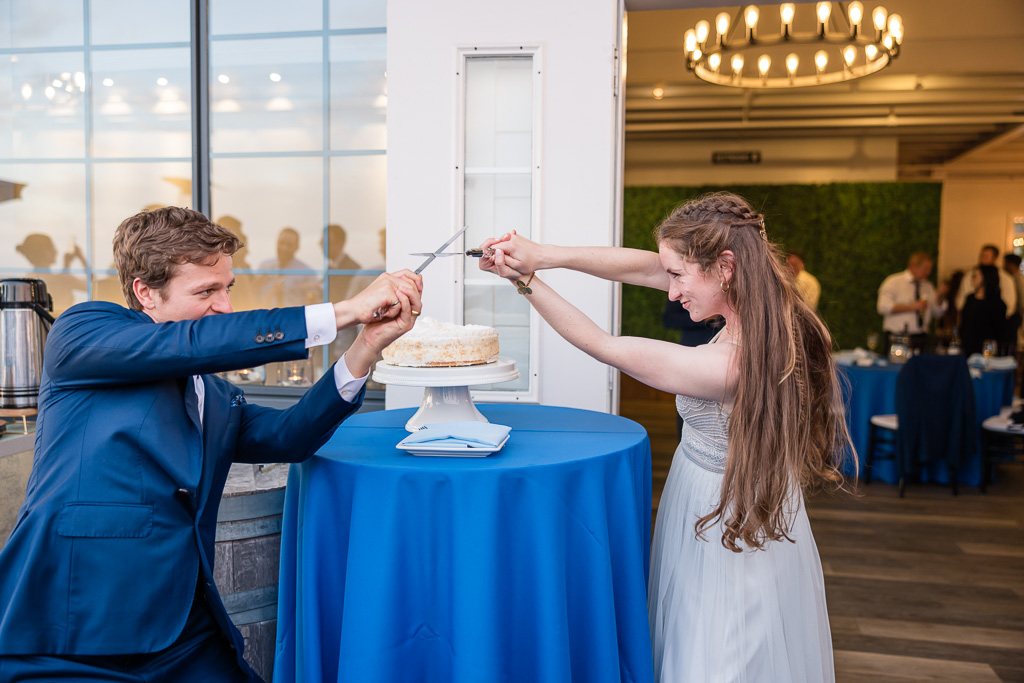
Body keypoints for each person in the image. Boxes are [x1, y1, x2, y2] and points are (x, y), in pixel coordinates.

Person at [0, 207, 422, 681]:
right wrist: (344, 310)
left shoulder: (216, 395)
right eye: (206, 291)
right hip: (67, 632)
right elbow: (188, 345)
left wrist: (364, 346)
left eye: (228, 288)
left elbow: (290, 436)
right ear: (145, 293)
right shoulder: (82, 332)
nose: (225, 306)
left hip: (184, 632)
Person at [479, 192, 848, 682]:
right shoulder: (766, 305)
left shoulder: (729, 364)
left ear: (726, 266)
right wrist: (544, 253)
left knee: (719, 647)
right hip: (716, 493)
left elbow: (604, 345)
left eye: (679, 276)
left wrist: (525, 280)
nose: (670, 291)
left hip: (722, 513)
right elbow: (647, 267)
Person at [876, 252, 948, 354]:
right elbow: (883, 307)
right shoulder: (893, 282)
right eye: (925, 268)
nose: (928, 272)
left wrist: (940, 298)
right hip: (898, 337)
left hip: (920, 337)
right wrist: (912, 306)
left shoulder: (927, 286)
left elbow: (937, 313)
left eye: (929, 269)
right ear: (913, 266)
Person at [956, 244, 1016, 322]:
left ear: (995, 259)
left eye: (986, 257)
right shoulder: (969, 277)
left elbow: (1009, 307)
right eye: (981, 256)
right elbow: (961, 302)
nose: (982, 260)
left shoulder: (1005, 279)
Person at [959, 264, 1007, 358]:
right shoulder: (970, 299)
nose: (972, 278)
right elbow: (964, 323)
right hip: (967, 348)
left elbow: (999, 332)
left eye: (976, 275)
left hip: (986, 351)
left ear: (986, 278)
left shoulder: (997, 304)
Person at [1001, 253, 1024, 356]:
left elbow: (1022, 301)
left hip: (1015, 317)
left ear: (1011, 264)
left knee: (1012, 345)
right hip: (1014, 317)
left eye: (1005, 263)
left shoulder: (1017, 279)